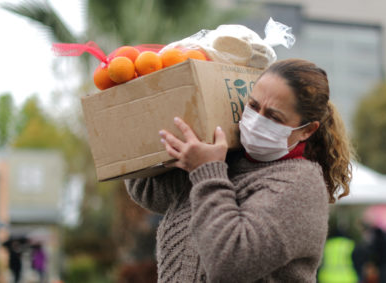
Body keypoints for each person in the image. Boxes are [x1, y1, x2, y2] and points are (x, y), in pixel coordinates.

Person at [125, 58, 354, 282]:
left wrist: (206, 170)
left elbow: (230, 264)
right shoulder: (229, 156)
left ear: (307, 130)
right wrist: (152, 136)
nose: (256, 121)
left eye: (274, 117)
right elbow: (149, 193)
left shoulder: (300, 185)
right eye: (253, 106)